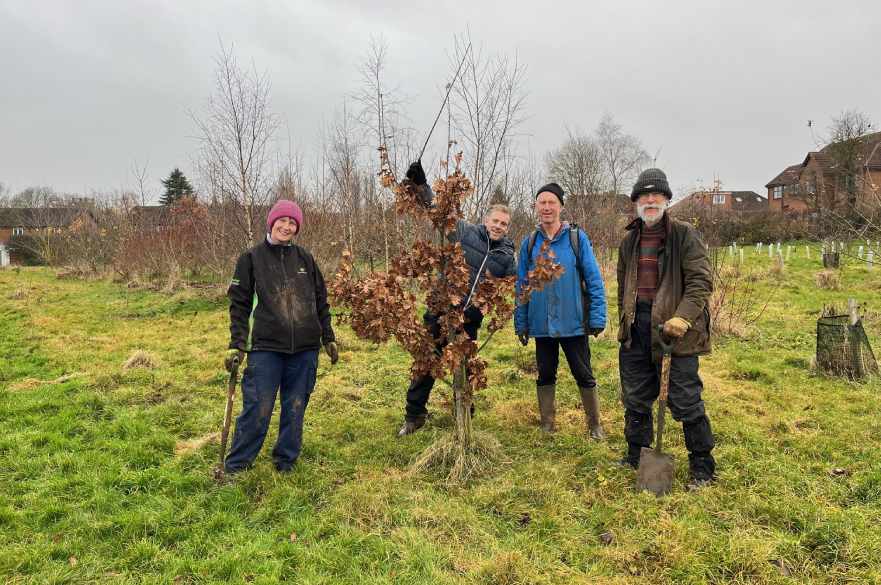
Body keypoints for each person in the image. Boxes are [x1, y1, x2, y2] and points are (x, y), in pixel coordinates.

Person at [397, 160, 517, 437]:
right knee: (425, 363)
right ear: (485, 220)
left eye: (503, 224)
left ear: (508, 228)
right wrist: (421, 186)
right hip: (441, 310)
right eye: (495, 221)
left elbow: (514, 287)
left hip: (469, 321)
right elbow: (439, 213)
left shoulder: (507, 257)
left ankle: (464, 415)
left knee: (465, 369)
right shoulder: (464, 232)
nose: (498, 226)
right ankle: (414, 415)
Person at [616, 168, 716, 488]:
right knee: (635, 395)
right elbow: (623, 287)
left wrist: (683, 318)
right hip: (637, 328)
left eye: (656, 195)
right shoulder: (629, 241)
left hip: (675, 331)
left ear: (667, 200)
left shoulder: (684, 235)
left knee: (685, 398)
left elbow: (700, 281)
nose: (650, 200)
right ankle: (636, 454)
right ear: (635, 202)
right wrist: (626, 321)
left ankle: (702, 466)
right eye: (643, 196)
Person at [223, 199, 339, 474]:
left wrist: (328, 337)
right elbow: (238, 304)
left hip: (305, 348)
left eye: (292, 223)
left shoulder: (305, 259)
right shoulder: (251, 259)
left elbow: (321, 300)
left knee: (295, 407)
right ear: (271, 222)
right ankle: (238, 466)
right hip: (265, 347)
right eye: (282, 221)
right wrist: (237, 345)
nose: (286, 227)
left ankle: (285, 461)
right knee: (258, 407)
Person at [514, 183, 608, 438]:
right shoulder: (530, 243)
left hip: (573, 321)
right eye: (541, 202)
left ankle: (594, 425)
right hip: (541, 323)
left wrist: (598, 316)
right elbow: (522, 284)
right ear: (535, 206)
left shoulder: (577, 239)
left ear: (561, 206)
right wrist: (521, 322)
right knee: (545, 373)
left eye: (551, 202)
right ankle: (547, 423)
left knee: (583, 372)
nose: (546, 207)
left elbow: (593, 278)